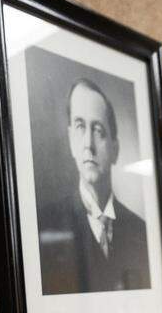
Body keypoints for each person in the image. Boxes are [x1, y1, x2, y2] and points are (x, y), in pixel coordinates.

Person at [38, 79, 150, 295]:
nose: (88, 144)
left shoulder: (141, 232)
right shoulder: (44, 226)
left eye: (98, 131)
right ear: (71, 139)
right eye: (80, 127)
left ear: (115, 149)